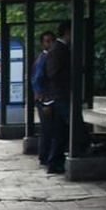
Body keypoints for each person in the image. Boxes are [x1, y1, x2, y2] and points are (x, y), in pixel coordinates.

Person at [41, 21, 72, 174]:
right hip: (59, 97)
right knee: (68, 128)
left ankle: (54, 162)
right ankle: (55, 161)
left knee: (60, 131)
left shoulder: (57, 50)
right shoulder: (58, 50)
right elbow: (52, 74)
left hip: (58, 96)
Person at [31, 31, 56, 166]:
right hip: (45, 99)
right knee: (48, 129)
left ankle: (45, 155)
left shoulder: (45, 57)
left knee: (48, 129)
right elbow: (37, 79)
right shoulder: (44, 58)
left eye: (52, 40)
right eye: (47, 41)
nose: (50, 44)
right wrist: (42, 98)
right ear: (43, 43)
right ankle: (45, 156)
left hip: (46, 98)